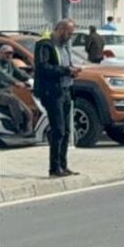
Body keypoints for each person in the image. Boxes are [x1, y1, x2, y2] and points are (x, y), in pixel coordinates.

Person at [34, 19, 81, 177]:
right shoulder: (45, 44)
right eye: (69, 33)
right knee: (58, 130)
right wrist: (66, 70)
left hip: (65, 91)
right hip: (52, 93)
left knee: (66, 131)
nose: (70, 37)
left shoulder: (63, 47)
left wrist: (72, 71)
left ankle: (63, 165)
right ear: (60, 29)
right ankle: (54, 168)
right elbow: (43, 68)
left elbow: (66, 65)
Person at [0, 44, 34, 133]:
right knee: (13, 100)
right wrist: (15, 82)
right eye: (6, 53)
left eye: (11, 53)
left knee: (28, 113)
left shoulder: (10, 64)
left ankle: (27, 133)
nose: (9, 55)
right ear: (0, 54)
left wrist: (30, 79)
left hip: (7, 93)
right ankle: (17, 126)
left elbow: (20, 73)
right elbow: (3, 75)